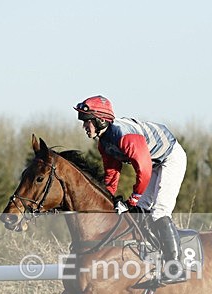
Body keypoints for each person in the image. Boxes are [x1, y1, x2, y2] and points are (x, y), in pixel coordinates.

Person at [74, 95, 188, 284]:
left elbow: (143, 169)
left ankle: (175, 267)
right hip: (153, 162)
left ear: (101, 120)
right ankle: (153, 257)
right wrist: (108, 201)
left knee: (159, 212)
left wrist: (132, 200)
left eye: (87, 122)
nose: (84, 126)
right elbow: (112, 173)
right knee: (142, 212)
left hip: (170, 158)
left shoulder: (124, 136)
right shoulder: (104, 143)